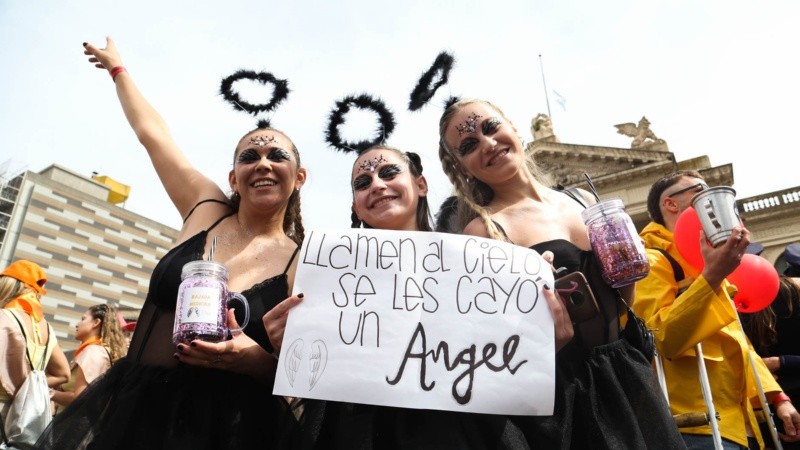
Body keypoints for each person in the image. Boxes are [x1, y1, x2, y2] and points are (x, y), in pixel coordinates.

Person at [37, 37, 306, 449]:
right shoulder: (205, 207)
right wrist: (117, 70)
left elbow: (305, 375)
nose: (263, 162)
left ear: (299, 177)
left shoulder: (303, 264)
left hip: (231, 431)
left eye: (277, 155)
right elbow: (153, 135)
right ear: (233, 178)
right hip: (136, 414)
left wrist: (251, 359)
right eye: (249, 156)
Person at [264, 145, 573, 449]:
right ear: (357, 206)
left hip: (468, 432)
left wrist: (538, 329)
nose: (377, 185)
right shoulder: (330, 278)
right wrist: (289, 346)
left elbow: (508, 363)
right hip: (362, 433)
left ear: (421, 185)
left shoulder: (483, 262)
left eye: (388, 173)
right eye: (363, 183)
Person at [437, 98, 686, 449]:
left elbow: (619, 303)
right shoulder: (483, 232)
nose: (488, 143)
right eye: (469, 145)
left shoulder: (582, 199)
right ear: (462, 166)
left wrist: (626, 274)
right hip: (565, 395)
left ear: (513, 127)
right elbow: (492, 344)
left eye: (491, 127)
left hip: (626, 370)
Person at [633, 170, 800, 449]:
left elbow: (737, 342)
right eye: (700, 190)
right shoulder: (650, 261)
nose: (711, 196)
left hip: (739, 425)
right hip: (696, 424)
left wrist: (777, 398)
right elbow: (661, 338)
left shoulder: (706, 263)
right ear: (671, 204)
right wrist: (711, 277)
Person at [0, 260, 70, 437]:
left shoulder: (3, 318)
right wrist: (28, 387)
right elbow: (63, 374)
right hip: (24, 419)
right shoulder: (46, 327)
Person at [741, 276, 800, 449]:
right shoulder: (727, 306)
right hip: (770, 407)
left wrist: (779, 362)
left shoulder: (789, 293)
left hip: (771, 406)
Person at [51, 304, 127, 411]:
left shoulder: (93, 351)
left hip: (72, 425)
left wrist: (49, 392)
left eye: (83, 319)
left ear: (96, 323)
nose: (77, 324)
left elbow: (79, 397)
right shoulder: (98, 350)